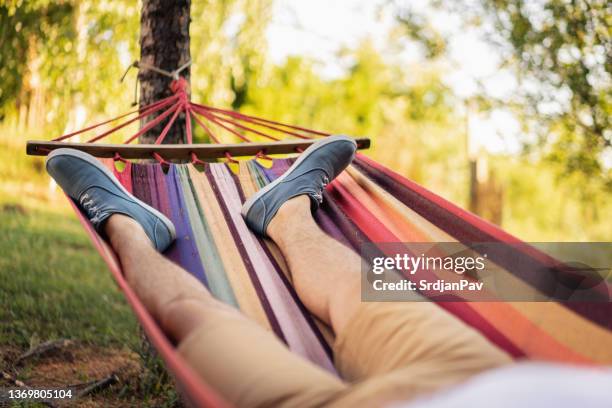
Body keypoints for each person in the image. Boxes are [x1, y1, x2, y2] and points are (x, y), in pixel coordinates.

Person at [46, 136, 611, 407]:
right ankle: (286, 214)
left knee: (190, 317)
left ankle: (128, 227)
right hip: (483, 376)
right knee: (351, 282)